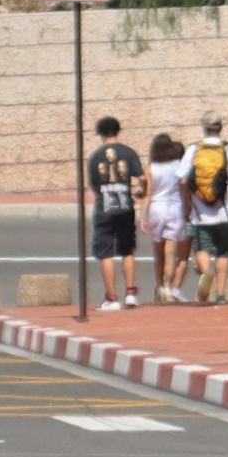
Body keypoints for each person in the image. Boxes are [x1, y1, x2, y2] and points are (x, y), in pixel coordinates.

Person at [180, 112, 228, 304]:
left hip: (200, 212)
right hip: (226, 211)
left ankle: (205, 272)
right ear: (220, 127)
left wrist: (186, 203)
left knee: (202, 248)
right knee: (223, 252)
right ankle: (220, 294)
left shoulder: (194, 149)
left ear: (204, 126)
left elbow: (183, 180)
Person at [84, 115, 143, 310]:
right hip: (126, 206)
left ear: (100, 133)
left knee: (105, 252)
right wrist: (142, 191)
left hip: (105, 208)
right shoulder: (129, 153)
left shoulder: (95, 156)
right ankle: (131, 293)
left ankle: (112, 297)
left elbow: (94, 185)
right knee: (127, 249)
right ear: (118, 130)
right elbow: (142, 178)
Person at [142, 133, 189, 302]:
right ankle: (168, 287)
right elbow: (184, 187)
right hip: (175, 208)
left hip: (156, 208)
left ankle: (159, 287)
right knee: (171, 252)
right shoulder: (179, 165)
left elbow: (147, 193)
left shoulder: (149, 168)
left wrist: (143, 217)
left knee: (158, 254)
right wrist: (187, 206)